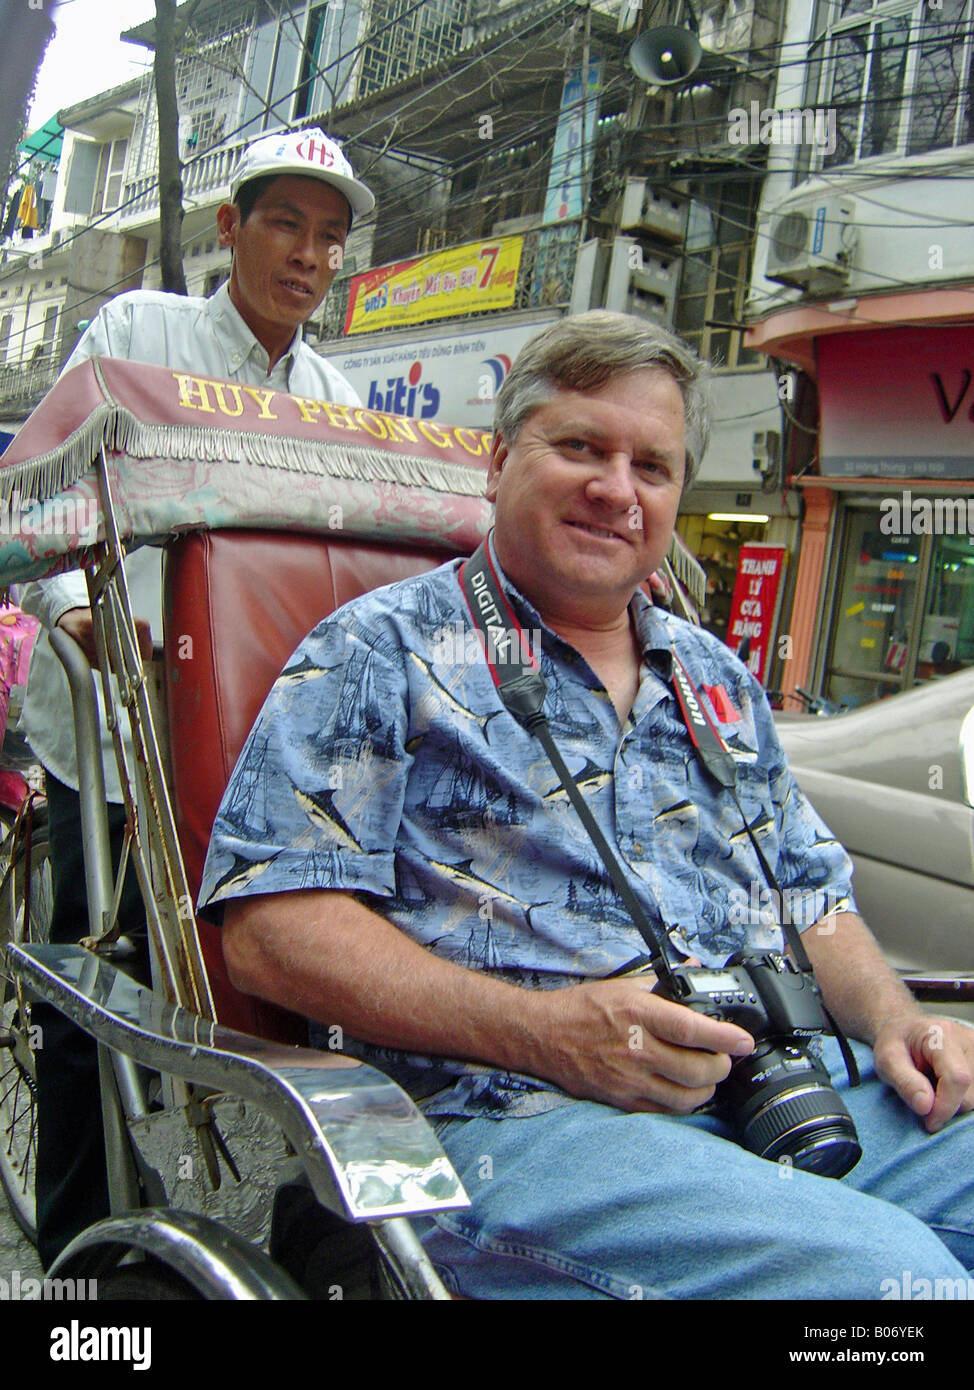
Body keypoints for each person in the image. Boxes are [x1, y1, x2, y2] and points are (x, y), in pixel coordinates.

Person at [198, 311, 973, 1300]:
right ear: (496, 461)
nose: (615, 489)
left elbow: (810, 895)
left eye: (650, 466)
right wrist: (546, 1030)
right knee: (896, 1289)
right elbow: (272, 931)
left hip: (779, 1095)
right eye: (578, 447)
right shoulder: (376, 649)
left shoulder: (712, 675)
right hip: (516, 1119)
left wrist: (900, 1023)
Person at [20, 127, 374, 1268]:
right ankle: (83, 1257)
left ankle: (300, 1233)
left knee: (308, 987)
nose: (308, 257)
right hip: (118, 720)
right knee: (93, 979)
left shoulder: (337, 395)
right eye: (285, 225)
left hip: (253, 738)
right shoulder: (139, 333)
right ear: (231, 229)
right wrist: (75, 601)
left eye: (328, 239)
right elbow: (45, 484)